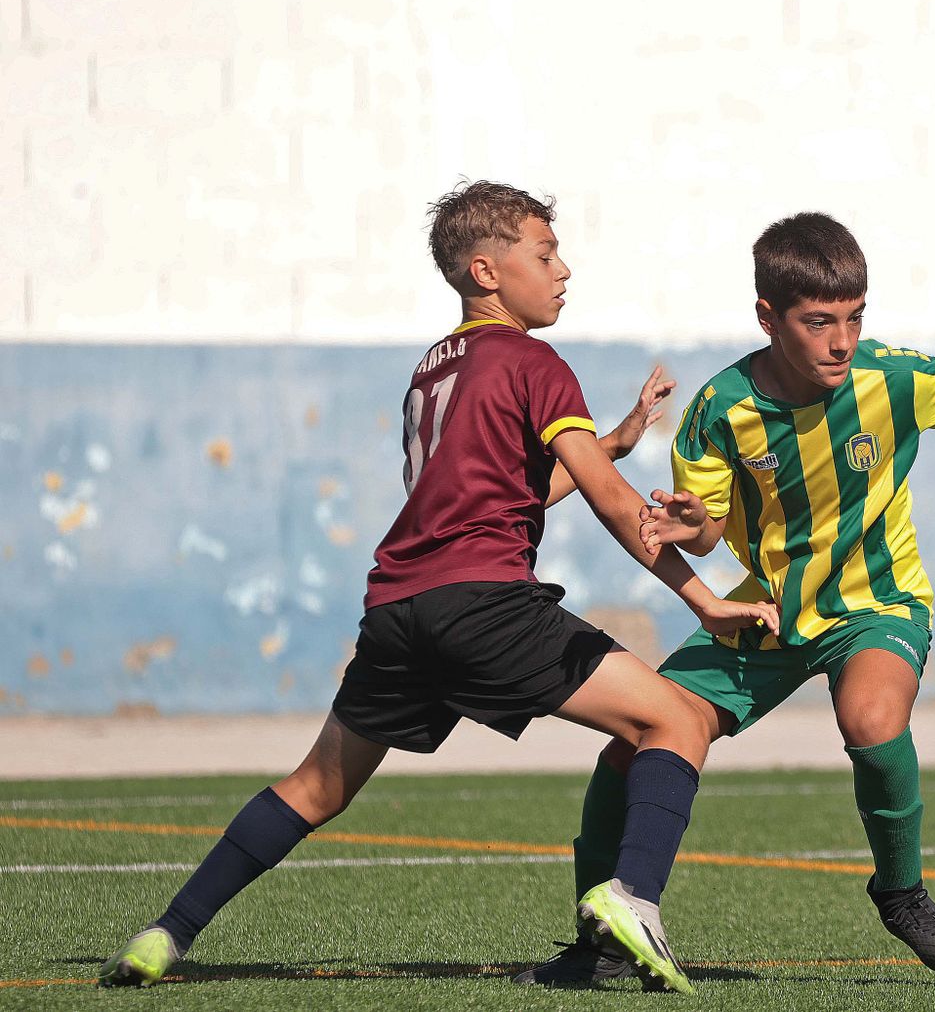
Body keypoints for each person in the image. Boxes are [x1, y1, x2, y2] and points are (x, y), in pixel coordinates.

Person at [97, 181, 778, 995]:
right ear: (486, 271)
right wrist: (702, 597)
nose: (564, 270)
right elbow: (602, 498)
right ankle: (633, 899)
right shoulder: (535, 359)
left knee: (316, 787)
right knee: (673, 717)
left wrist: (618, 440)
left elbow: (503, 494)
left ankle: (165, 935)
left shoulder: (433, 369)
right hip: (482, 604)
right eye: (545, 253)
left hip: (397, 608)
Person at [529, 211, 935, 985]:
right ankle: (599, 940)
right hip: (770, 610)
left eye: (853, 319)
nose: (841, 342)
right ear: (768, 319)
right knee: (639, 739)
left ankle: (901, 892)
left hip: (880, 604)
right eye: (819, 323)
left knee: (873, 718)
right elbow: (708, 531)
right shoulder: (721, 410)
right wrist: (690, 526)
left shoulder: (892, 378)